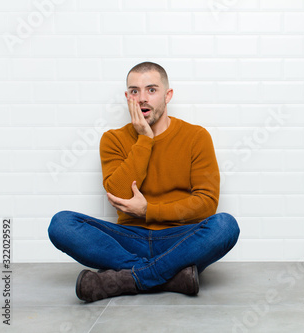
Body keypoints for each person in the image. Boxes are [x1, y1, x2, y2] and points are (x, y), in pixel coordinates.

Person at [48, 61, 240, 303]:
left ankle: (130, 278)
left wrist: (149, 210)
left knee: (225, 225)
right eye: (134, 91)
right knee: (62, 224)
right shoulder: (113, 139)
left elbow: (206, 204)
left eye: (151, 89)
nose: (142, 98)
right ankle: (168, 276)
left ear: (167, 95)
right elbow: (118, 193)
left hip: (179, 240)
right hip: (129, 240)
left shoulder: (196, 137)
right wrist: (145, 140)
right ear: (127, 96)